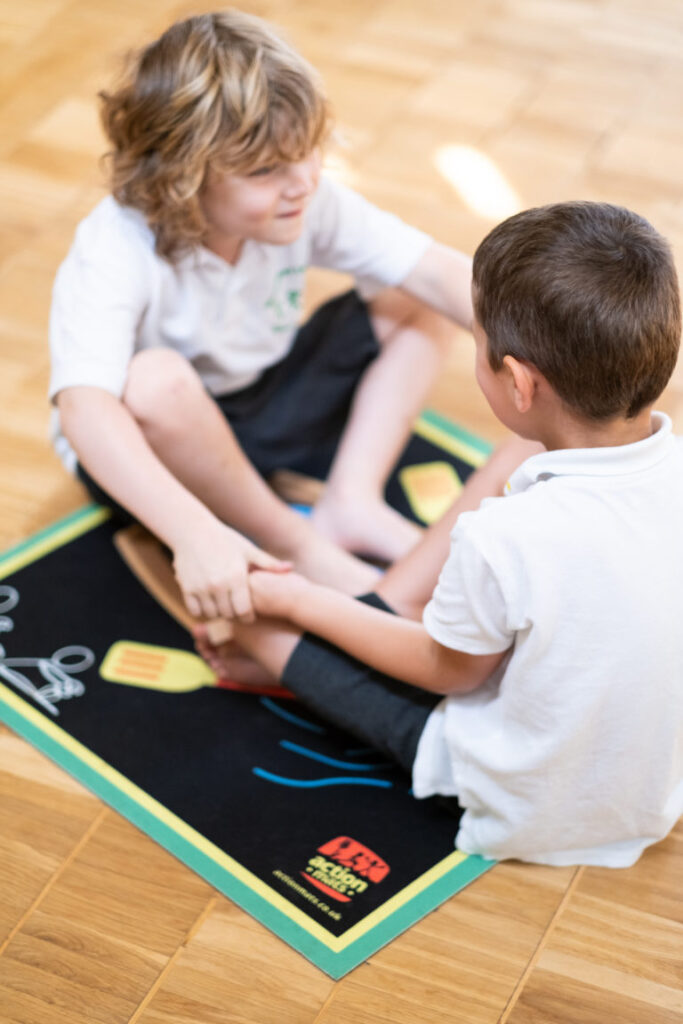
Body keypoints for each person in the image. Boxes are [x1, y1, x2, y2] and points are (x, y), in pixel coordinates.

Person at [200, 201, 683, 867]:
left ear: (517, 382)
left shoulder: (505, 535)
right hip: (651, 792)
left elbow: (446, 674)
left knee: (248, 612)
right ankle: (366, 605)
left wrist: (296, 601)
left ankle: (311, 636)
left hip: (522, 795)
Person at [49, 8, 476, 624]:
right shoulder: (115, 245)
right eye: (266, 170)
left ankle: (351, 502)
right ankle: (295, 541)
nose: (303, 181)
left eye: (309, 152)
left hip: (260, 405)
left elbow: (436, 271)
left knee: (411, 294)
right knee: (154, 381)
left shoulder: (304, 199)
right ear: (180, 178)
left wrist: (550, 355)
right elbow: (85, 411)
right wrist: (194, 534)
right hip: (157, 455)